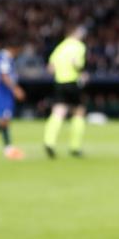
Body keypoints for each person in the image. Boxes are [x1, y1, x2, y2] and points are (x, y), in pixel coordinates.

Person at [43, 25, 88, 158]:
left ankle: (49, 141)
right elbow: (77, 63)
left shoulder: (60, 47)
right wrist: (82, 73)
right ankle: (75, 147)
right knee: (79, 112)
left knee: (58, 111)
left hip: (59, 82)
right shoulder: (79, 46)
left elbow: (50, 68)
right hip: (72, 82)